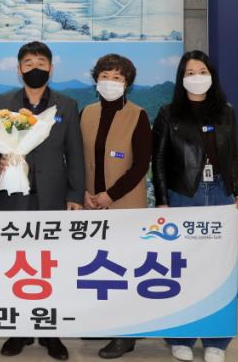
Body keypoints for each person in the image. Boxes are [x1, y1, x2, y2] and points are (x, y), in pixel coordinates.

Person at [0, 41, 84, 361]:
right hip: (13, 197)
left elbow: (74, 153)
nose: (35, 68)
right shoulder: (3, 103)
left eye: (41, 63)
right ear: (19, 69)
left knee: (49, 265)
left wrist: (75, 195)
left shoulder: (67, 105)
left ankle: (50, 332)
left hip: (52, 198)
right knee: (16, 264)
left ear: (51, 68)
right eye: (28, 63)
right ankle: (18, 330)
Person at [152, 50, 238, 362]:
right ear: (181, 78)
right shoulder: (168, 113)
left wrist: (237, 189)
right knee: (182, 267)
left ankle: (217, 340)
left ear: (211, 75)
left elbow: (233, 154)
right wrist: (162, 200)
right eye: (189, 72)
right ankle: (181, 337)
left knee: (219, 269)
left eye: (201, 71)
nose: (196, 77)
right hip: (183, 195)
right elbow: (158, 160)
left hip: (220, 194)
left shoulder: (226, 112)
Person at [80, 54, 152, 359]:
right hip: (91, 205)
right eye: (105, 76)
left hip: (124, 204)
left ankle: (127, 334)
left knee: (125, 267)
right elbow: (78, 157)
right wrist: (85, 192)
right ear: (96, 80)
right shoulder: (87, 112)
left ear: (127, 83)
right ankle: (104, 322)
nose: (110, 82)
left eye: (117, 78)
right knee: (99, 267)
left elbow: (141, 165)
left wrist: (110, 195)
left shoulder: (138, 115)